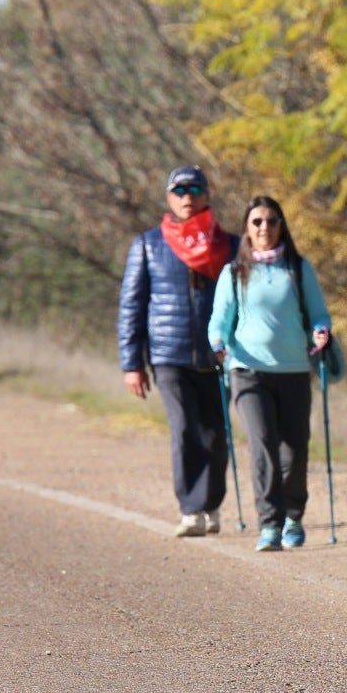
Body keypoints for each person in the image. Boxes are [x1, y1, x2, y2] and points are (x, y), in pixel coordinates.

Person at [210, 196, 336, 552]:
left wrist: (321, 331)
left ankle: (294, 515)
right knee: (263, 445)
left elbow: (319, 314)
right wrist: (217, 341)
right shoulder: (234, 272)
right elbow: (219, 320)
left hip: (294, 370)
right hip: (247, 371)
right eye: (257, 222)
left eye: (271, 221)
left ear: (281, 226)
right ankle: (270, 524)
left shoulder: (298, 268)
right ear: (247, 229)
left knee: (294, 451)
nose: (264, 228)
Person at [119, 165, 237, 538]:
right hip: (168, 355)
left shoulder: (230, 245)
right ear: (169, 198)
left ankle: (211, 504)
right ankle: (190, 509)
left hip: (218, 355)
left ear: (207, 196)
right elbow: (131, 306)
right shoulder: (149, 245)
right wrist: (132, 363)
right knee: (184, 429)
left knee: (216, 433)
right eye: (179, 190)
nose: (187, 196)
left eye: (195, 189)